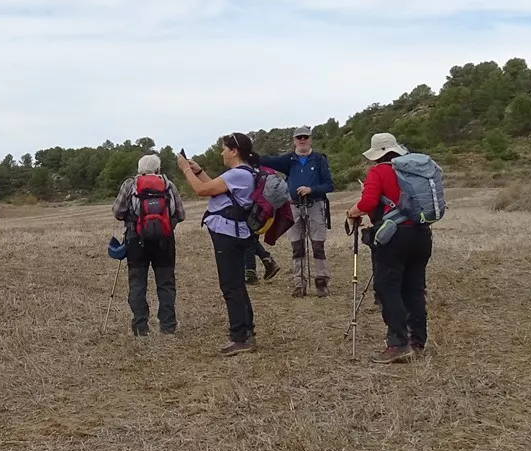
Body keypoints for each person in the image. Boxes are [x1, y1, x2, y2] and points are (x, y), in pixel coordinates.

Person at [344, 133, 433, 363]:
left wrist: (353, 212)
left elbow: (368, 202)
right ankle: (417, 341)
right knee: (414, 288)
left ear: (377, 154)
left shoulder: (379, 171)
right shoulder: (415, 169)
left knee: (388, 287)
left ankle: (398, 342)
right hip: (422, 235)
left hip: (394, 236)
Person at [176, 134, 264, 355]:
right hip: (235, 232)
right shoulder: (244, 174)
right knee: (237, 285)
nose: (221, 152)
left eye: (224, 148)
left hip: (228, 234)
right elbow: (214, 187)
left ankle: (239, 337)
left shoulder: (237, 174)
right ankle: (247, 331)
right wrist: (198, 171)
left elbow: (201, 190)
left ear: (234, 151)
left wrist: (185, 169)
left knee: (230, 286)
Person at [113, 154, 187, 335]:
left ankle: (140, 327)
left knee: (138, 284)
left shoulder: (130, 185)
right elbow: (181, 214)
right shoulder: (169, 185)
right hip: (165, 242)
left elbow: (117, 211)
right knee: (166, 284)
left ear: (139, 169)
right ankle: (168, 326)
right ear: (158, 169)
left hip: (136, 241)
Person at [261, 126, 336, 297]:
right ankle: (299, 283)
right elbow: (267, 160)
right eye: (299, 137)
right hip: (293, 206)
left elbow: (329, 184)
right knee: (297, 246)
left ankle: (321, 281)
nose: (302, 140)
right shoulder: (289, 160)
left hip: (315, 205)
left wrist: (312, 189)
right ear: (294, 140)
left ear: (310, 139)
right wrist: (247, 155)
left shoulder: (319, 159)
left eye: (305, 137)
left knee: (318, 245)